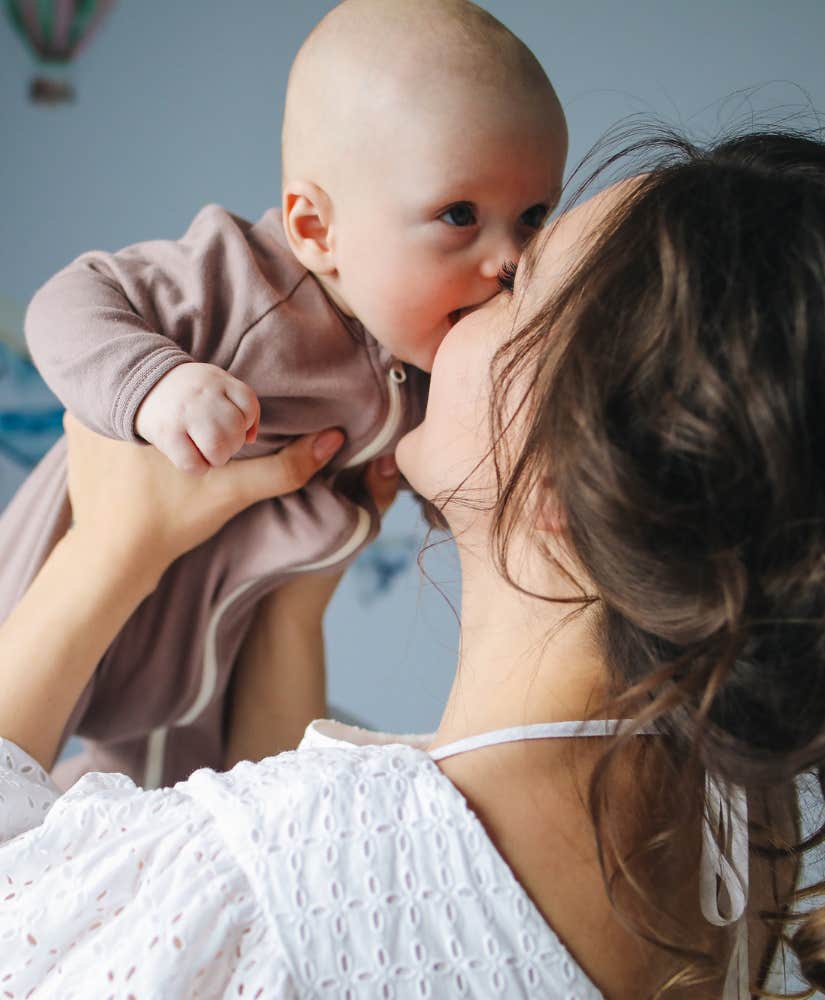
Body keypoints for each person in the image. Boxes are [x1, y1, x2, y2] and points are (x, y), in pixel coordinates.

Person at [1, 126, 825, 999]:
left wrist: (105, 553)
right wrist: (296, 598)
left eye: (519, 282)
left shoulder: (283, 868)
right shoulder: (741, 841)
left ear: (566, 471)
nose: (466, 298)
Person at [0, 0, 567, 790]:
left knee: (172, 819)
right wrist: (155, 383)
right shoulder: (242, 281)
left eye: (535, 217)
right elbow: (68, 301)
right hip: (54, 601)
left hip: (210, 656)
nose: (508, 258)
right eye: (459, 215)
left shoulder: (426, 352)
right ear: (315, 228)